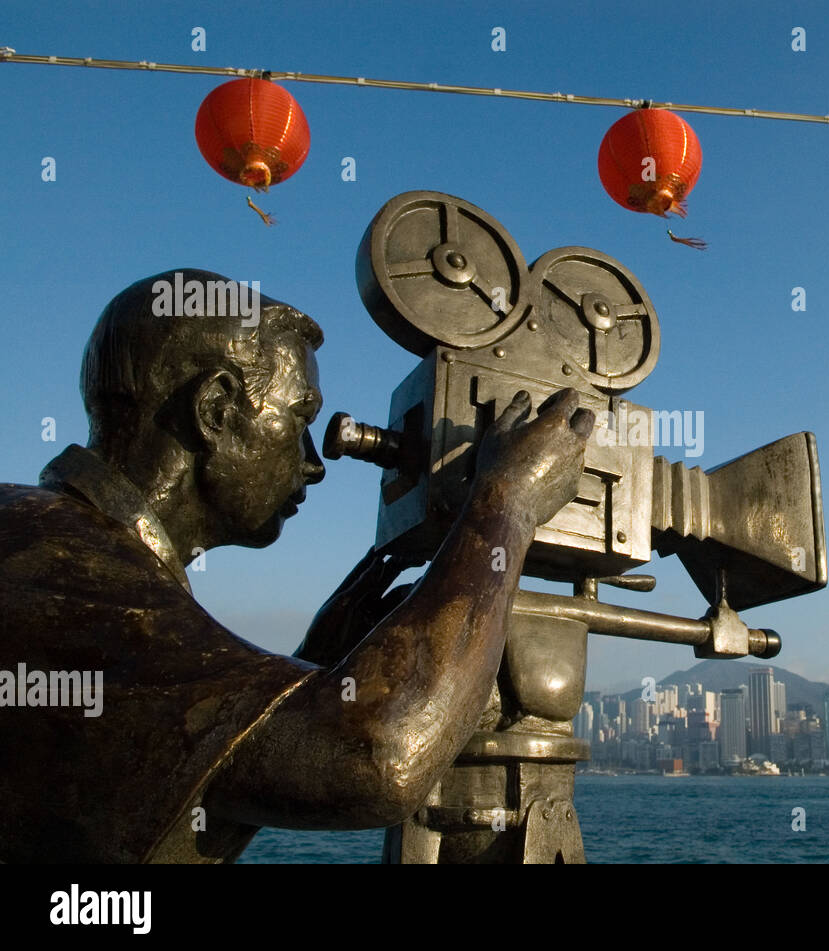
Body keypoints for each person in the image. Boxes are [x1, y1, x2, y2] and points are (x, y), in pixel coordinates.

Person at [0, 268, 593, 863]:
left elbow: (208, 782)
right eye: (299, 421)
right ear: (215, 410)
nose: (314, 464)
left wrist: (314, 667)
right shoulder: (55, 560)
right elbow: (379, 762)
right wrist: (507, 506)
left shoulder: (68, 545)